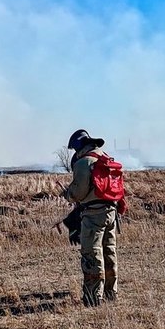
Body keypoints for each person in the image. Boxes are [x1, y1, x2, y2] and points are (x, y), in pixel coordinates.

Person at [62, 129, 118, 307]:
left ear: (79, 147)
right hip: (111, 212)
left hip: (93, 214)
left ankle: (94, 298)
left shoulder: (83, 162)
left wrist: (67, 194)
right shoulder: (106, 157)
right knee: (109, 252)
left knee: (92, 254)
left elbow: (78, 193)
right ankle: (111, 293)